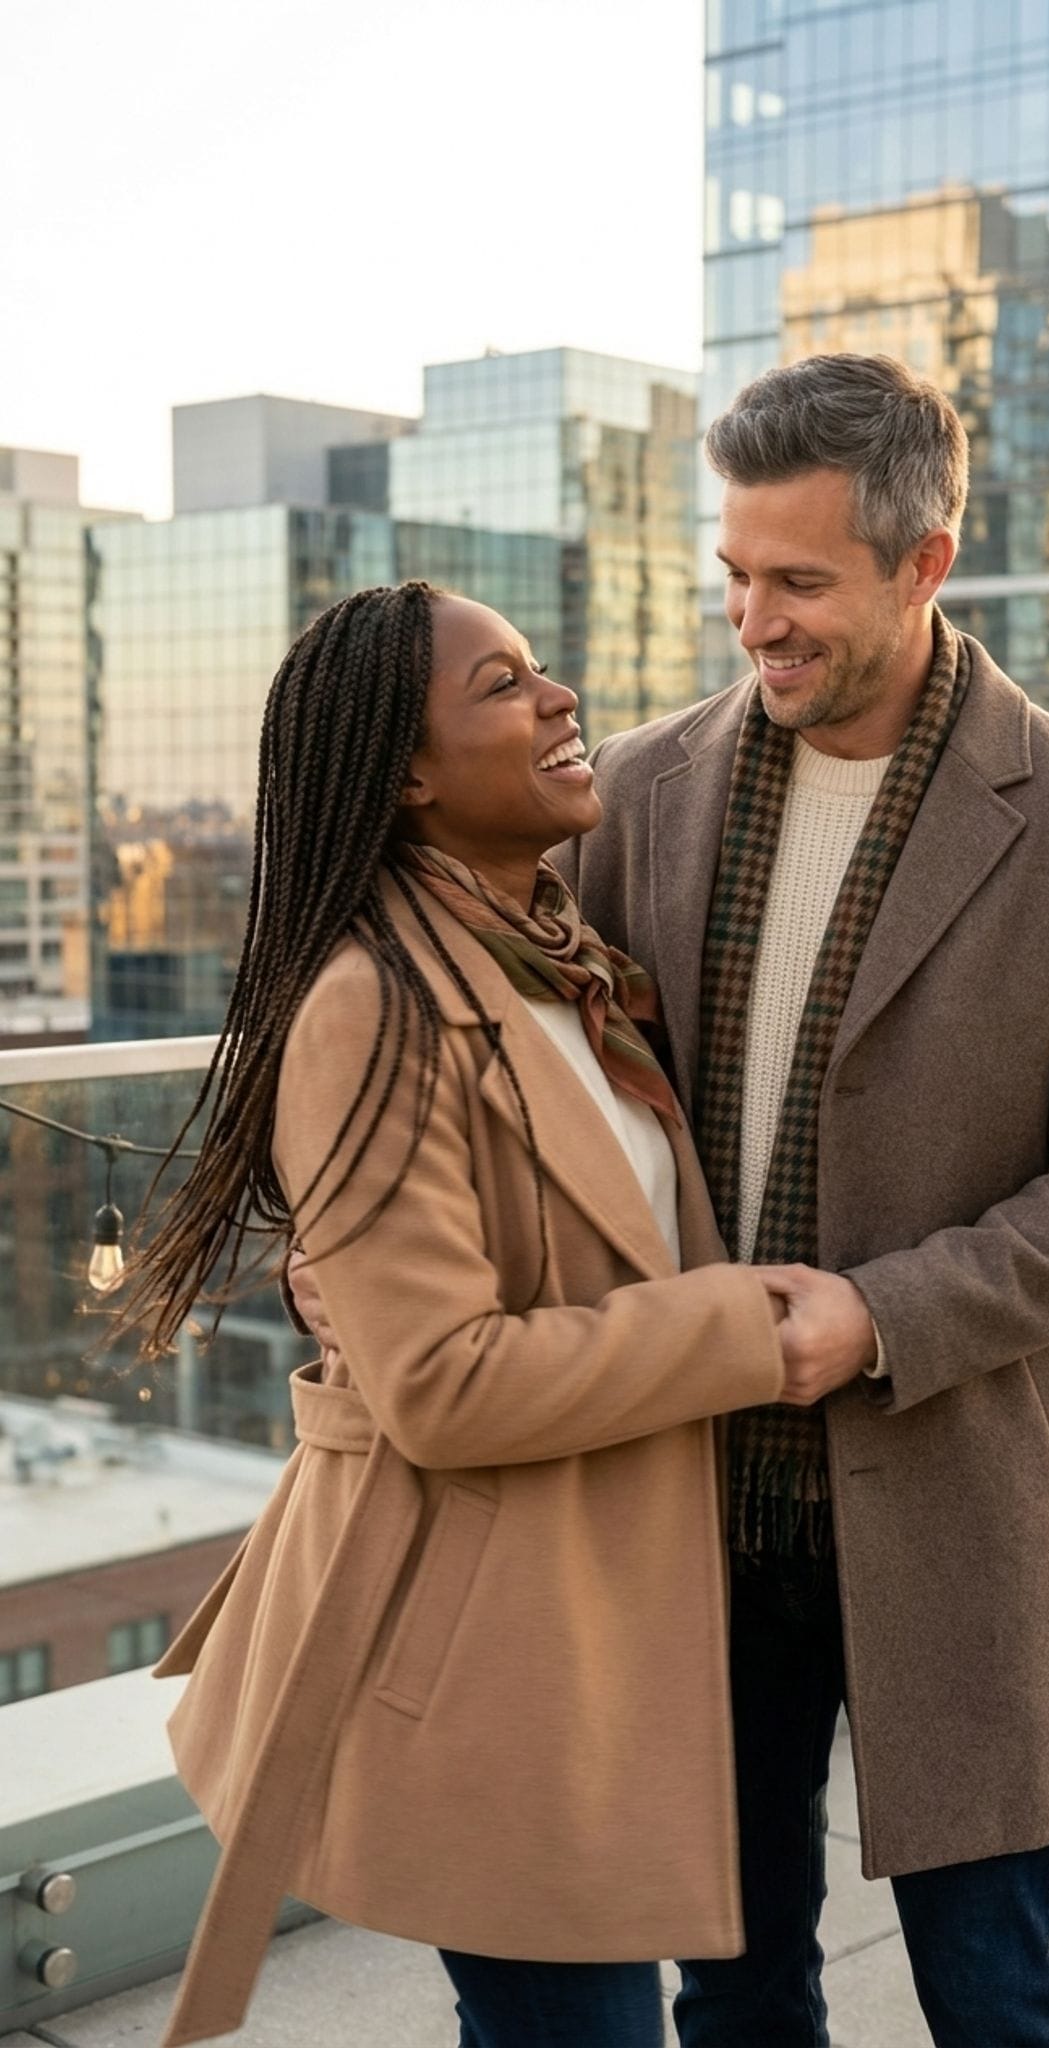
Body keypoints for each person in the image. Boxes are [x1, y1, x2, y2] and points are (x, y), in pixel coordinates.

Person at [551, 354, 1049, 2047]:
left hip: (951, 1509)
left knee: (999, 1997)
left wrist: (882, 1314)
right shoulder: (633, 793)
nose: (752, 622)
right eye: (734, 577)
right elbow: (498, 1074)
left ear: (925, 564)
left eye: (798, 583)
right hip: (690, 1509)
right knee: (737, 1991)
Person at [111, 580, 828, 2048]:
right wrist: (742, 1327)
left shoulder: (555, 960)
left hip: (604, 1628)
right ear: (407, 774)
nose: (561, 700)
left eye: (543, 668)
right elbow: (439, 1381)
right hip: (499, 1662)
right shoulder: (371, 1003)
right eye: (504, 685)